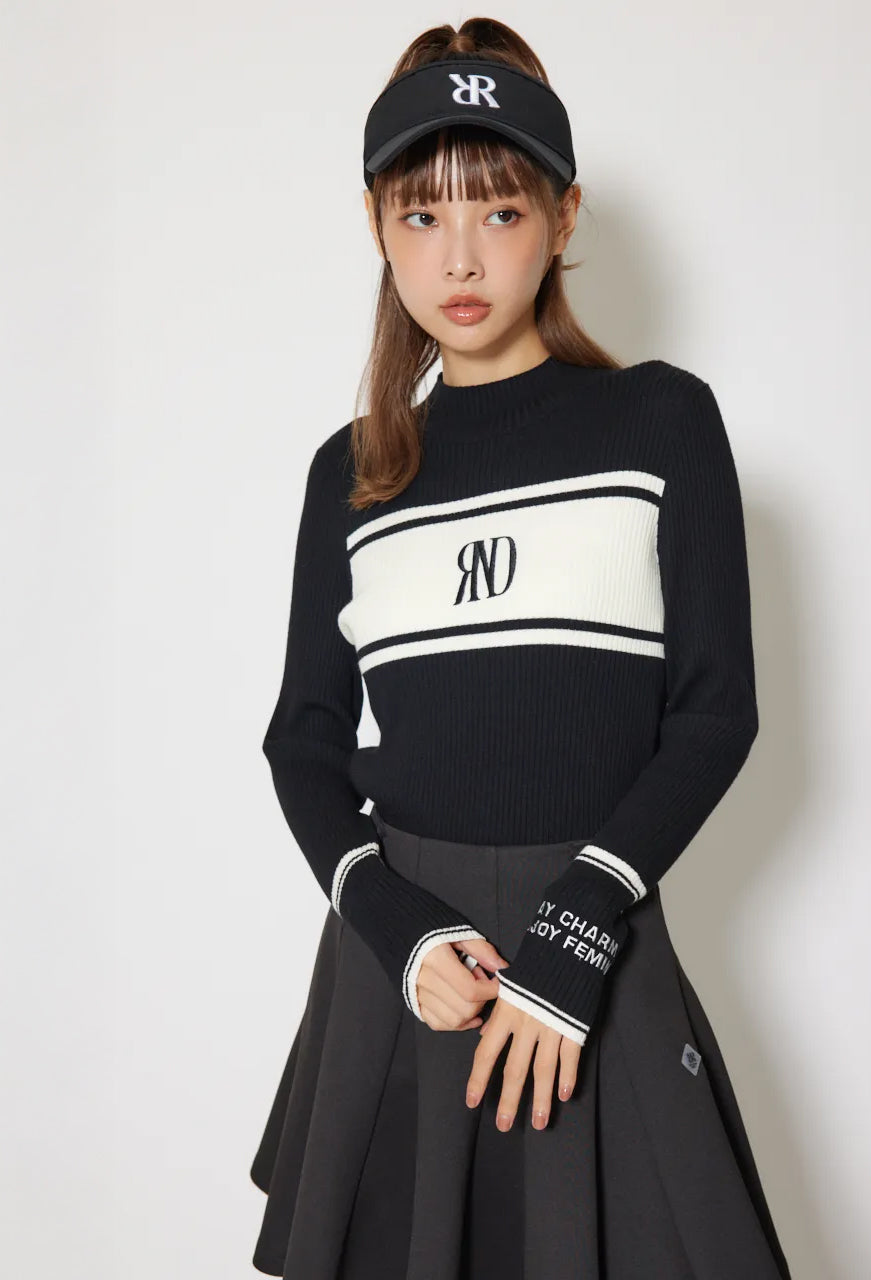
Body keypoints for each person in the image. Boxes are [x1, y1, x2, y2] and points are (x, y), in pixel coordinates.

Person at [248, 17, 792, 1280]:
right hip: (410, 966)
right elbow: (303, 738)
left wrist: (579, 929)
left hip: (592, 935)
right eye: (422, 213)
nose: (460, 255)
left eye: (498, 210)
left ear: (562, 215)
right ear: (377, 227)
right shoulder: (352, 475)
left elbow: (715, 711)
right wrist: (395, 927)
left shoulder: (659, 420)